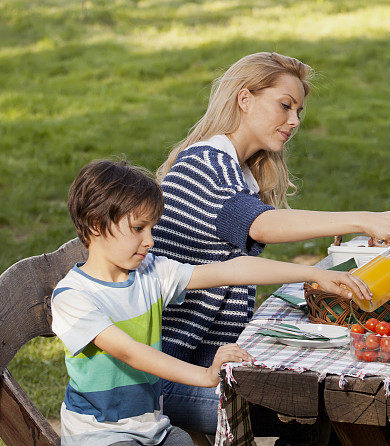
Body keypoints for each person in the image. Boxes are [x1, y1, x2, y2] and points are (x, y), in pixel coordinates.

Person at [150, 51, 390, 438]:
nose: (293, 121)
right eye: (284, 106)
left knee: (328, 393)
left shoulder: (239, 172)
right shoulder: (203, 164)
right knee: (319, 405)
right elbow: (259, 224)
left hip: (212, 361)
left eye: (298, 112)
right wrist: (361, 218)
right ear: (245, 99)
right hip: (172, 374)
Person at [51, 159, 370, 446]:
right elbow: (132, 353)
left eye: (151, 228)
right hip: (100, 436)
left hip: (152, 429)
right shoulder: (74, 297)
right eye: (138, 228)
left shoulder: (152, 273)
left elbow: (234, 269)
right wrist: (204, 376)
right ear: (95, 224)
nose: (150, 240)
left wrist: (313, 273)